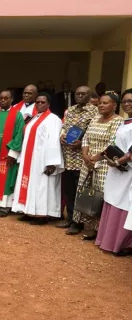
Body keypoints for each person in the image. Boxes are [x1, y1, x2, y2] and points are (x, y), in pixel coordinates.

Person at [72, 91, 123, 240]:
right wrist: (85, 156)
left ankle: (100, 228)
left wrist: (95, 158)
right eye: (100, 102)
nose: (101, 105)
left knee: (100, 195)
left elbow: (112, 143)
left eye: (105, 103)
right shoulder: (94, 119)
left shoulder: (117, 121)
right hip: (87, 162)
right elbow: (86, 138)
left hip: (104, 164)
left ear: (114, 105)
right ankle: (85, 224)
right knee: (85, 192)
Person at [12, 93, 64, 225]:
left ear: (49, 104)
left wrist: (52, 163)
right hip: (30, 160)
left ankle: (42, 214)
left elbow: (54, 142)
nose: (39, 104)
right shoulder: (34, 118)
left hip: (43, 160)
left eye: (43, 102)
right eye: (37, 102)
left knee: (42, 187)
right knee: (30, 185)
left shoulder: (54, 120)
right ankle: (28, 211)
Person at [94, 88, 132, 256]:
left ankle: (122, 243)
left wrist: (117, 161)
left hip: (127, 172)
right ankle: (107, 239)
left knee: (124, 203)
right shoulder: (126, 122)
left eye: (130, 101)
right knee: (113, 200)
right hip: (116, 170)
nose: (127, 104)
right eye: (124, 101)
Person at [57, 86, 98, 233]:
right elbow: (64, 126)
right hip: (68, 156)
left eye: (83, 94)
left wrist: (82, 143)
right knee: (68, 190)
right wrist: (62, 135)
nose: (80, 96)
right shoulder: (71, 110)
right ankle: (69, 219)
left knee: (80, 190)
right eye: (77, 93)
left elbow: (93, 133)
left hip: (82, 158)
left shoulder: (95, 112)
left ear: (89, 96)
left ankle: (78, 222)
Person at [0, 90, 24, 217]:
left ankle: (4, 206)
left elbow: (19, 135)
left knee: (4, 178)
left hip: (6, 154)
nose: (3, 100)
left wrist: (13, 153)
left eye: (6, 98)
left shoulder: (17, 115)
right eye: (1, 98)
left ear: (12, 99)